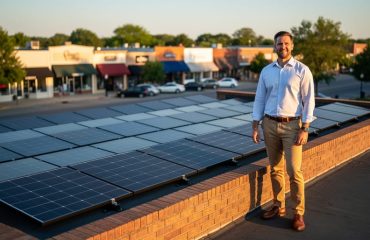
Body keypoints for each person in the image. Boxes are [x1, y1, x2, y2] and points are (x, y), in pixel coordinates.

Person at [252, 31, 315, 232]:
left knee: (294, 170)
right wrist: (255, 124)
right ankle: (278, 206)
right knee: (275, 168)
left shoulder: (302, 70)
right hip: (269, 124)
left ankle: (298, 213)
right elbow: (260, 99)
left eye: (286, 43)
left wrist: (305, 128)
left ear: (292, 46)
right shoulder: (266, 71)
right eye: (279, 44)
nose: (283, 47)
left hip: (292, 126)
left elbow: (309, 101)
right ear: (275, 46)